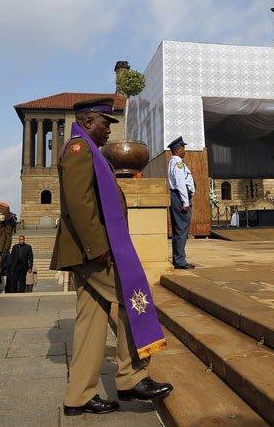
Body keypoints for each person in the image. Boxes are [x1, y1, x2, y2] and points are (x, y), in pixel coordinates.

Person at [54, 98, 172, 416]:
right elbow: (80, 206)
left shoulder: (89, 151)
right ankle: (131, 376)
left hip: (88, 251)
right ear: (89, 120)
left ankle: (78, 396)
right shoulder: (80, 151)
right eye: (106, 123)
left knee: (91, 320)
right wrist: (99, 248)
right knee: (133, 298)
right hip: (94, 252)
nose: (109, 130)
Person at [167, 136, 195, 269]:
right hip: (180, 197)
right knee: (182, 230)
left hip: (177, 197)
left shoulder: (174, 162)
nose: (185, 150)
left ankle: (178, 259)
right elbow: (180, 184)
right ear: (178, 149)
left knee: (179, 230)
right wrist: (185, 202)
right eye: (183, 148)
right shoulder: (178, 163)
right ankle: (180, 261)